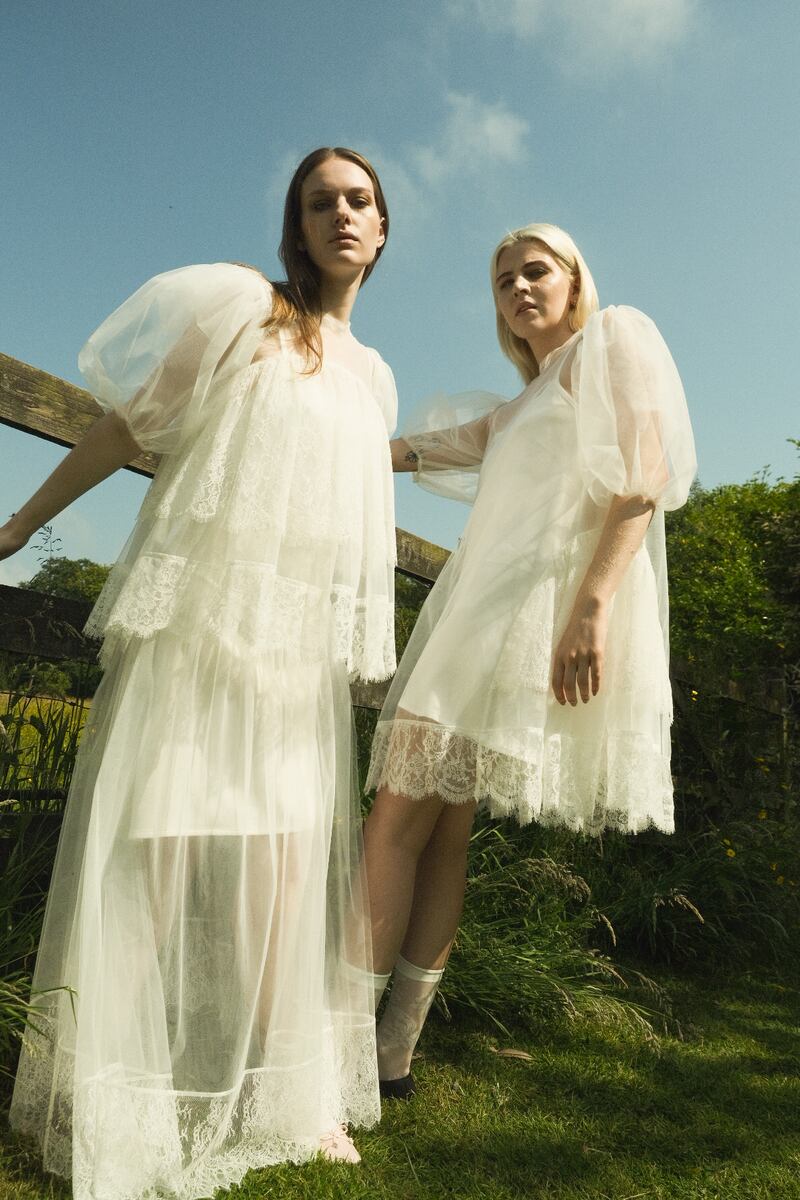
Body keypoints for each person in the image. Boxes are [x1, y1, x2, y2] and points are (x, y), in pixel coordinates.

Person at [3, 146, 397, 1196]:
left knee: (279, 876)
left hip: (290, 657)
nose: (341, 214)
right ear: (296, 226)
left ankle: (288, 1096)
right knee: (159, 850)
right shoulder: (244, 312)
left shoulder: (375, 377)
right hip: (201, 626)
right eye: (320, 201)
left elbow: (354, 528)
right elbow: (127, 424)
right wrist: (18, 526)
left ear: (383, 227)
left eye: (358, 200)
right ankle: (115, 1099)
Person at [362, 223, 697, 1098]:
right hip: (477, 614)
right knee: (437, 830)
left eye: (535, 269)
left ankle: (337, 1046)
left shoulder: (613, 343)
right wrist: (311, 435)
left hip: (530, 618)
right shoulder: (524, 403)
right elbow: (415, 451)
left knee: (398, 814)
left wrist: (593, 606)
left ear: (577, 277)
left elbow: (645, 477)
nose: (517, 286)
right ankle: (389, 1055)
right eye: (502, 278)